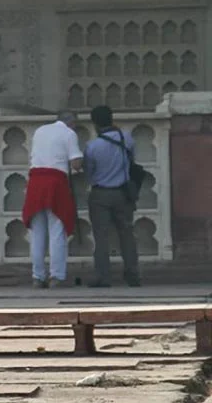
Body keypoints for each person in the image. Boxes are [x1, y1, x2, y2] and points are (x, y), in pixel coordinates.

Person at [22, 112, 82, 289]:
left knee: (37, 232)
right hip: (55, 182)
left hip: (35, 182)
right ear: (72, 122)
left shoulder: (40, 130)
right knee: (57, 231)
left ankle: (37, 277)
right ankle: (56, 276)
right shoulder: (69, 134)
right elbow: (76, 163)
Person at [84, 105, 140, 288]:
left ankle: (103, 277)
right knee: (127, 234)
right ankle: (132, 274)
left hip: (100, 194)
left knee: (101, 237)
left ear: (94, 123)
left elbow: (89, 173)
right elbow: (131, 162)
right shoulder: (127, 139)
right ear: (112, 118)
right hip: (123, 193)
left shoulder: (92, 147)